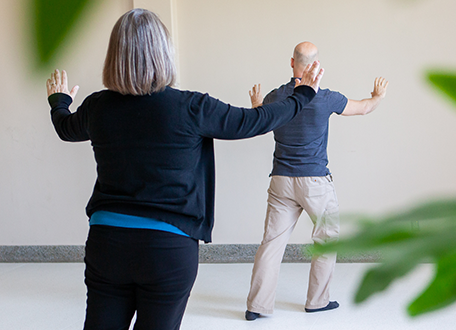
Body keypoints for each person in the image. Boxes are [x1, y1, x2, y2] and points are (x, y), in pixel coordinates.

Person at [46, 9, 324, 330]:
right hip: (168, 248)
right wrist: (303, 92)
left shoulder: (98, 106)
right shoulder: (191, 107)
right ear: (164, 54)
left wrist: (59, 100)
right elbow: (255, 121)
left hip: (107, 242)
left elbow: (66, 128)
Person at [245, 41, 389, 321]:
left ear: (292, 63)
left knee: (271, 243)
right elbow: (363, 108)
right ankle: (317, 301)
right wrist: (377, 96)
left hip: (281, 181)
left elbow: (259, 119)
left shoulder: (276, 96)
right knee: (327, 239)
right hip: (315, 183)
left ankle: (256, 307)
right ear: (316, 65)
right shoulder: (326, 98)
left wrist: (255, 106)